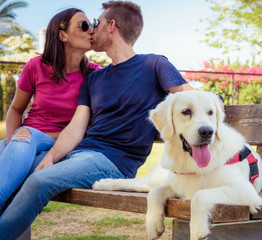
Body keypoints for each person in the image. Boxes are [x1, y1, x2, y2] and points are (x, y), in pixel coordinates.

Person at [0, 1, 193, 239]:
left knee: (38, 181)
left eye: (96, 23)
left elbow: (190, 98)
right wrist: (51, 157)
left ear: (111, 26)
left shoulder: (153, 64)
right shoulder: (94, 78)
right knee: (15, 166)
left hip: (113, 162)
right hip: (79, 154)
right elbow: (76, 127)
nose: (92, 29)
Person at [0, 8, 100, 212]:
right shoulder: (36, 66)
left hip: (59, 142)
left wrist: (23, 140)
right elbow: (16, 110)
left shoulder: (95, 74)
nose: (91, 30)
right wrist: (14, 144)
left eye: (93, 24)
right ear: (62, 34)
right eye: (83, 25)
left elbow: (90, 125)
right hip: (23, 140)